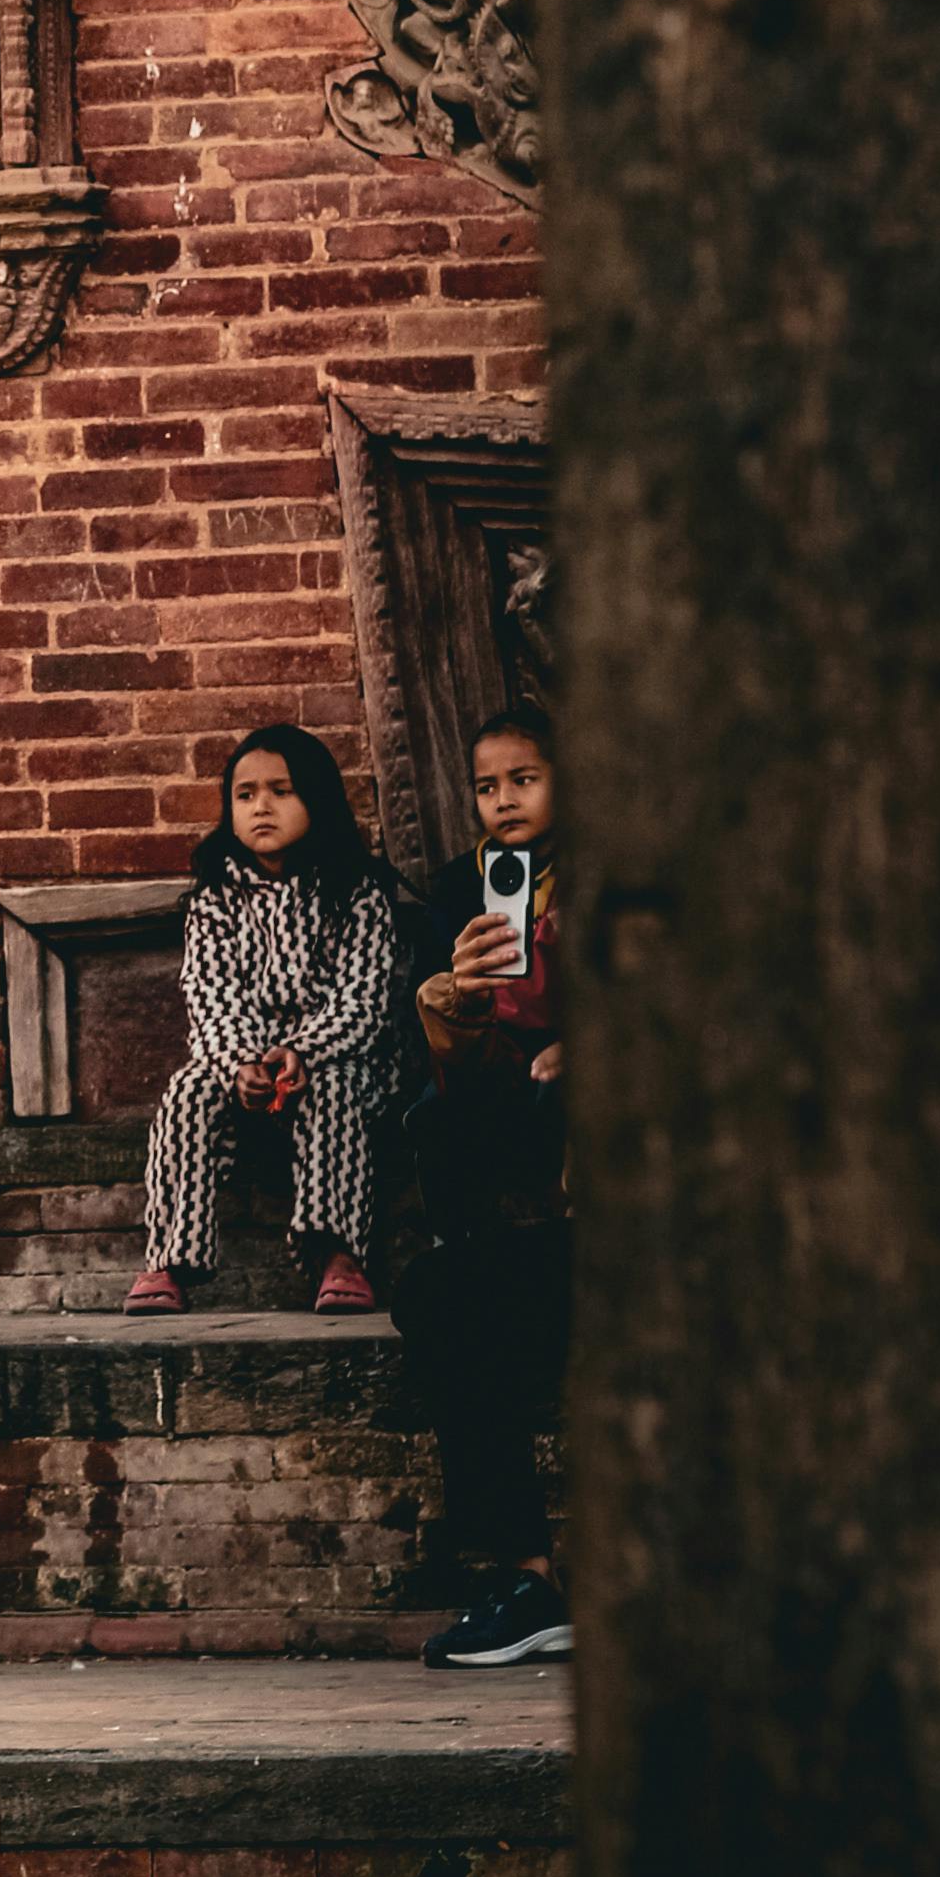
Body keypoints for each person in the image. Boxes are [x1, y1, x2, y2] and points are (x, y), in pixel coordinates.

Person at [389, 704, 574, 1670]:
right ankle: (526, 1579)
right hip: (525, 1189)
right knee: (442, 1293)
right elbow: (450, 1080)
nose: (505, 800)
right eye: (488, 786)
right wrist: (456, 1017)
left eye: (526, 779)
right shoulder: (464, 893)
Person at [124, 722, 405, 1317]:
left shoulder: (358, 891)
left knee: (334, 1091)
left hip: (338, 1060)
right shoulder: (216, 898)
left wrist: (302, 1051)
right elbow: (209, 990)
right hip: (243, 1063)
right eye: (245, 795)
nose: (261, 808)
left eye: (282, 791)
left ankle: (337, 1255)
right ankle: (170, 1259)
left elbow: (364, 998)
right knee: (186, 1093)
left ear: (318, 799)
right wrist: (242, 1064)